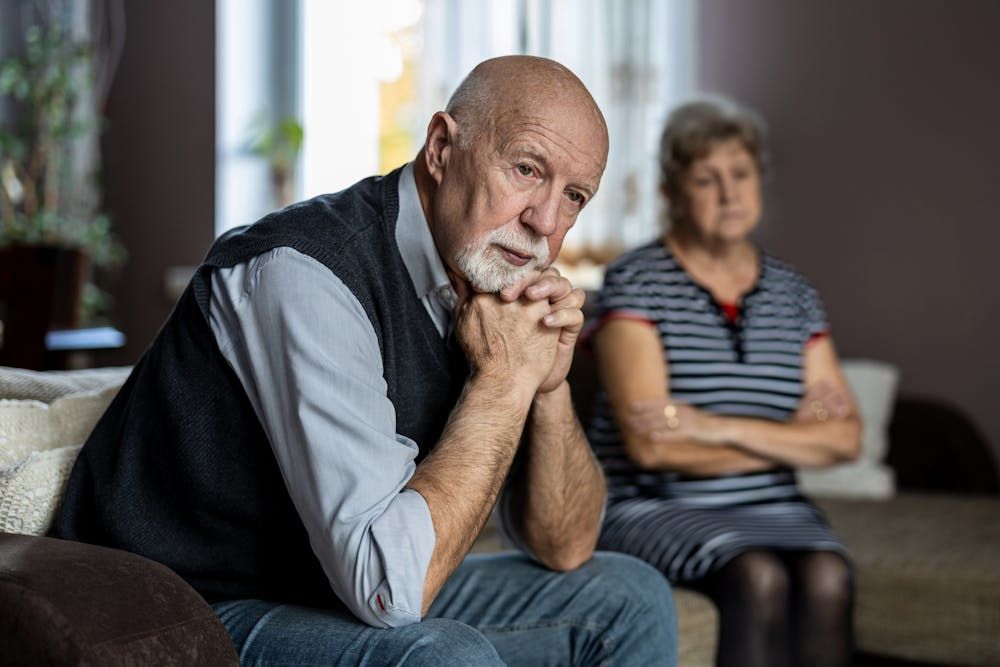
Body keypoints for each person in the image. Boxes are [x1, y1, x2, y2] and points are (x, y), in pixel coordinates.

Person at [54, 56, 677, 665]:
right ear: (439, 147)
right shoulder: (304, 272)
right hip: (177, 607)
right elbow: (391, 591)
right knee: (443, 657)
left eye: (573, 196)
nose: (545, 222)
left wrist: (546, 383)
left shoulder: (488, 281)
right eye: (525, 169)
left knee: (630, 598)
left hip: (323, 587)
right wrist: (505, 380)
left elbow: (565, 546)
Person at [583, 98, 860, 667]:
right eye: (707, 179)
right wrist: (789, 435)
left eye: (741, 174)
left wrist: (709, 427)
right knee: (758, 575)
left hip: (776, 504)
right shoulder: (637, 282)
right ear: (671, 194)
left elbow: (846, 439)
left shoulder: (795, 293)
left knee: (829, 575)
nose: (730, 194)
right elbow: (652, 446)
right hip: (654, 505)